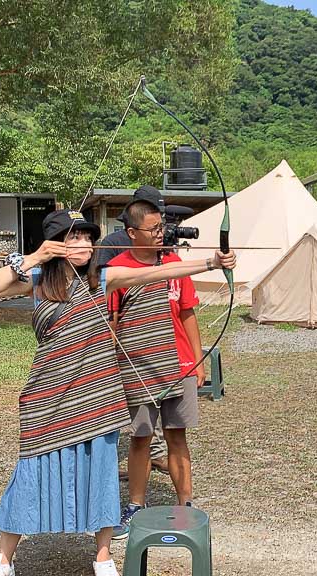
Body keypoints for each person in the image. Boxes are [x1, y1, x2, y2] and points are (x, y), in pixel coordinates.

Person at [0, 209, 236, 576]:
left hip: (96, 394)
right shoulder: (37, 279)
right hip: (47, 393)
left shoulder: (102, 279)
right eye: (73, 238)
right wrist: (36, 257)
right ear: (56, 244)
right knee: (32, 469)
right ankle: (4, 558)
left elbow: (157, 271)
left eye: (87, 237)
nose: (83, 244)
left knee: (99, 470)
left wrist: (211, 261)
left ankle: (102, 556)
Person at [107, 198, 208, 539]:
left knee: (176, 435)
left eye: (161, 227)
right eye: (153, 229)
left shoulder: (175, 263)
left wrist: (197, 359)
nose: (159, 234)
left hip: (178, 364)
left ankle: (186, 505)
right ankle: (136, 505)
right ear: (132, 233)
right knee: (141, 437)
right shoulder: (118, 268)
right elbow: (113, 322)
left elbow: (187, 311)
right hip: (138, 365)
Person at [97, 185, 170, 475]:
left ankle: (155, 452)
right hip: (123, 330)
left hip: (155, 334)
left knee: (152, 399)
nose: (159, 230)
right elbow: (103, 285)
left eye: (160, 223)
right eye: (154, 223)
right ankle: (133, 456)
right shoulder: (114, 242)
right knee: (131, 405)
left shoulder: (161, 242)